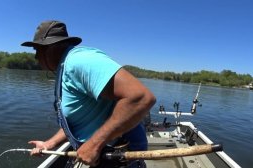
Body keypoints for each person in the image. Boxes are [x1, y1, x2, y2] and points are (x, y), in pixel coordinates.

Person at [21, 20, 156, 168]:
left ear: (51, 48)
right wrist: (49, 143)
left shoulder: (79, 61)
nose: (36, 57)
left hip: (117, 159)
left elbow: (141, 98)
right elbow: (79, 121)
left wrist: (94, 144)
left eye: (37, 50)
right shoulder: (65, 68)